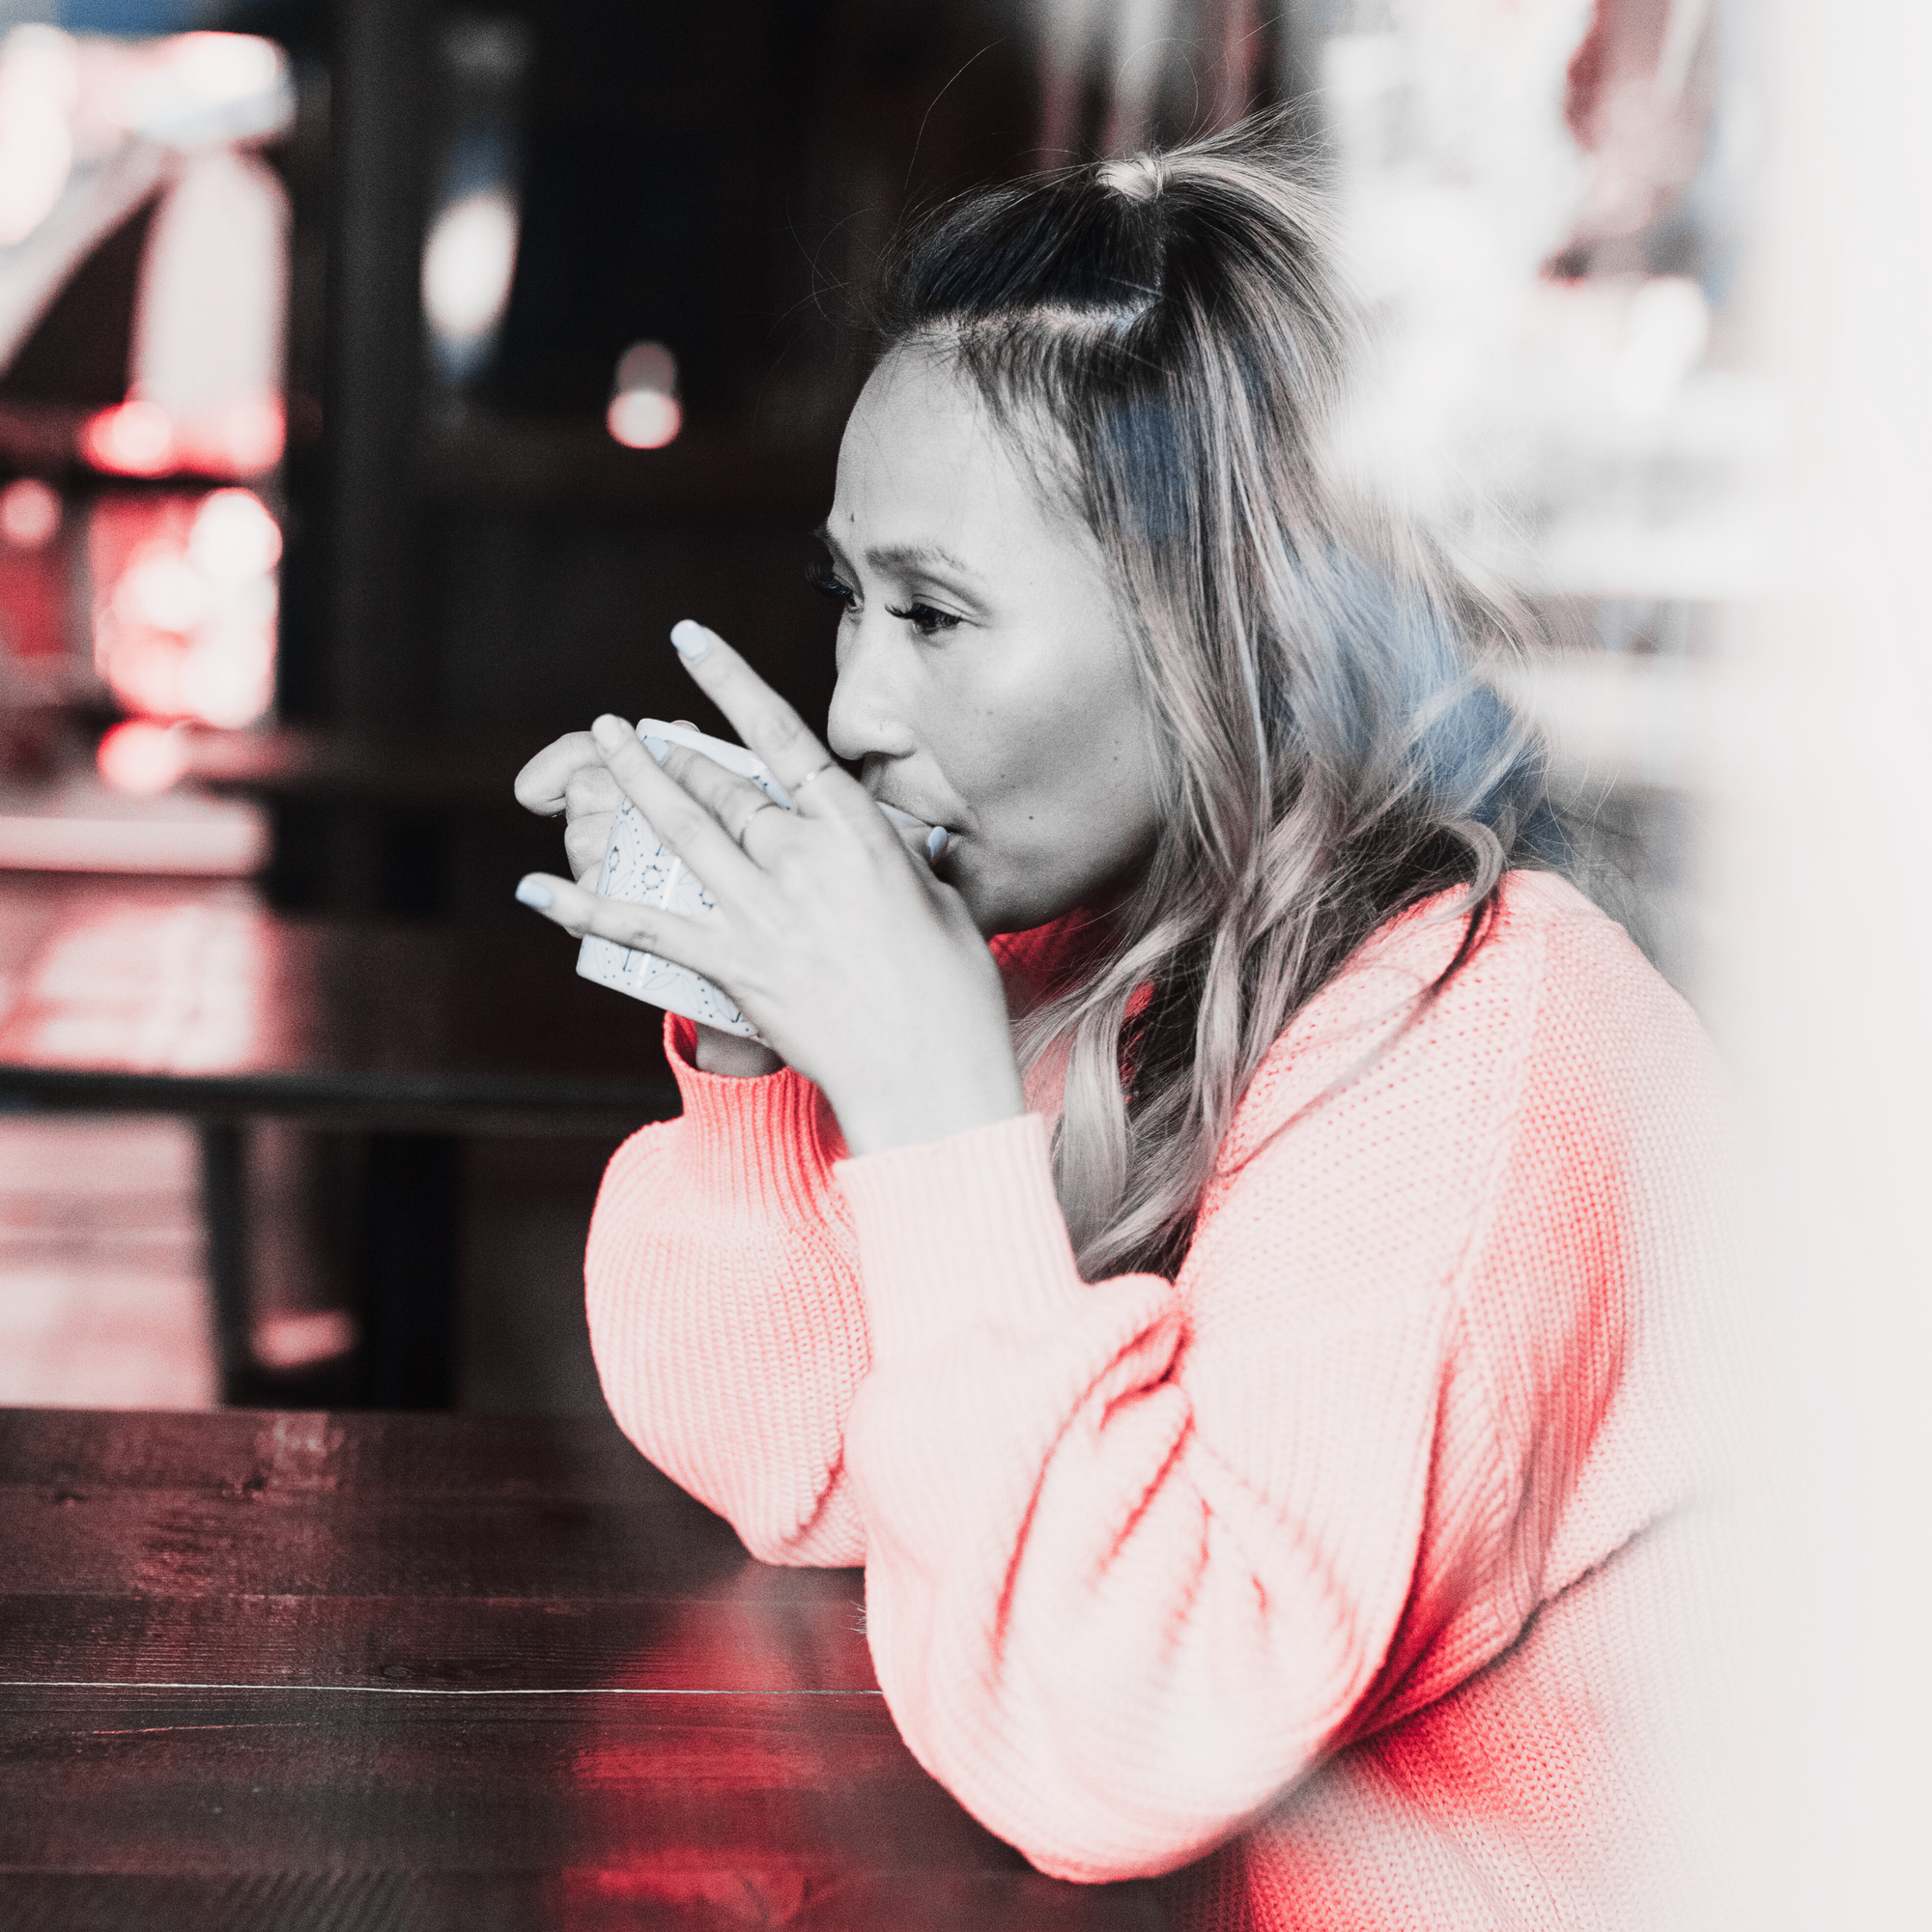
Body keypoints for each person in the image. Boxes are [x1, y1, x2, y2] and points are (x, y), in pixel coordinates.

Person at [512, 122, 1742, 1929]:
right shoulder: (1144, 951)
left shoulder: (1480, 1030)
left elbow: (1113, 1747)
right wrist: (770, 1052)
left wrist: (935, 1116)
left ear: (1221, 628)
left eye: (934, 611)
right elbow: (825, 1471)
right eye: (849, 599)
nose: (851, 703)